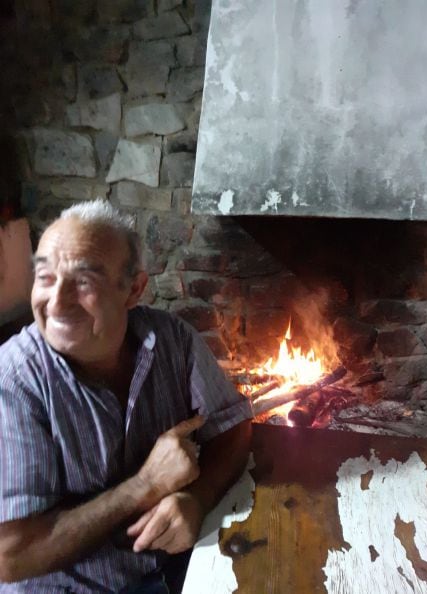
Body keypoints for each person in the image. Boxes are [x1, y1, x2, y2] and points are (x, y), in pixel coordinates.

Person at [0, 199, 252, 593]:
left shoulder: (172, 339)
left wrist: (198, 499)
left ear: (133, 289)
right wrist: (145, 485)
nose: (57, 301)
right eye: (45, 278)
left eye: (84, 281)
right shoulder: (14, 381)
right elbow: (9, 554)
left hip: (179, 568)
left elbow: (232, 426)